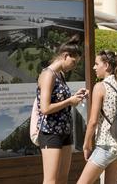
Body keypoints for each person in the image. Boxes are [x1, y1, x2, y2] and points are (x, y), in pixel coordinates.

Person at [36, 34, 87, 184]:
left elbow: (61, 100)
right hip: (50, 132)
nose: (74, 66)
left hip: (64, 131)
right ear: (65, 56)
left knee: (63, 179)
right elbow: (45, 108)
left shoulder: (60, 75)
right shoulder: (48, 75)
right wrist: (69, 101)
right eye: (74, 61)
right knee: (51, 180)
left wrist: (75, 97)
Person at [78, 50, 117, 184]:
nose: (94, 67)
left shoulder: (100, 87)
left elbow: (93, 121)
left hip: (106, 144)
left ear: (106, 65)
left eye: (97, 64)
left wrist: (86, 145)